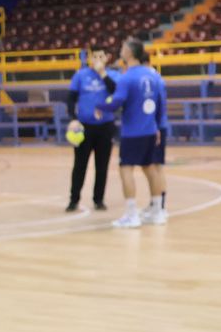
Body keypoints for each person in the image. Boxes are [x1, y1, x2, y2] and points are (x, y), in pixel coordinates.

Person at [105, 38, 168, 228]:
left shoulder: (127, 77)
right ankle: (158, 211)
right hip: (152, 128)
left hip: (133, 131)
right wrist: (157, 126)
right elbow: (160, 103)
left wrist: (100, 107)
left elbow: (117, 102)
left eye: (123, 47)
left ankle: (131, 215)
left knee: (126, 169)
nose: (120, 49)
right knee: (151, 168)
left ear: (130, 53)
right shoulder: (153, 75)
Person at [63, 45, 117, 213]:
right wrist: (73, 119)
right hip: (84, 127)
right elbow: (71, 99)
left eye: (101, 57)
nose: (97, 60)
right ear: (89, 58)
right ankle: (74, 200)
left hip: (105, 126)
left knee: (102, 165)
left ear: (107, 58)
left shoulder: (113, 75)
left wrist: (103, 74)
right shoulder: (80, 75)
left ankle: (98, 199)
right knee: (80, 165)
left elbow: (116, 92)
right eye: (94, 56)